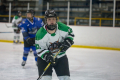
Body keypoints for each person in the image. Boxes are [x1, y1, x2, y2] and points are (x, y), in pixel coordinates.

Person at [35, 9, 74, 80]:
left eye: (53, 19)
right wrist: (48, 56)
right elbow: (39, 50)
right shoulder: (40, 34)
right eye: (49, 19)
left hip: (60, 57)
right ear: (46, 20)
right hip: (44, 60)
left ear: (56, 20)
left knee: (65, 78)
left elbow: (70, 34)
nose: (52, 21)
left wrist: (68, 41)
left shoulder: (62, 27)